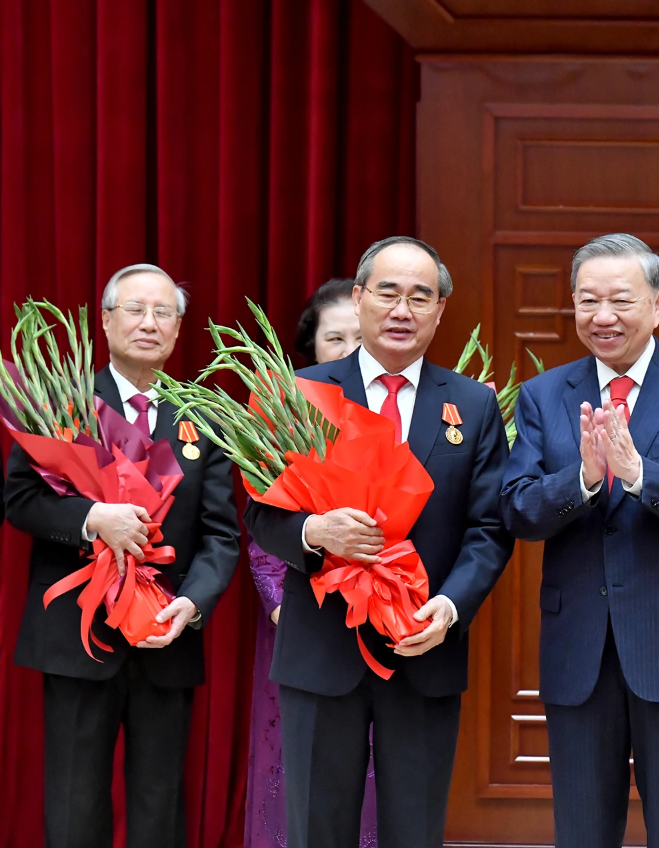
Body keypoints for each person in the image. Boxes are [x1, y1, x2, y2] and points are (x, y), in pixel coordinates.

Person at [244, 236, 513, 848]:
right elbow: (260, 517)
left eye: (422, 296)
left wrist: (449, 608)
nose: (403, 309)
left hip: (424, 648)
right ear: (360, 298)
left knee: (414, 831)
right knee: (319, 828)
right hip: (322, 645)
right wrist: (314, 531)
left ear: (441, 311)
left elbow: (489, 528)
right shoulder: (300, 392)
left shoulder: (472, 405)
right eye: (388, 292)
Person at [501, 233, 659, 848]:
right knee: (582, 832)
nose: (602, 316)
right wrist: (582, 480)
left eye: (620, 300)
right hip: (578, 647)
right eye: (587, 301)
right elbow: (517, 511)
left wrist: (640, 477)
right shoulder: (543, 395)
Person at [6, 263, 241, 848]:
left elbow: (221, 534)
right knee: (73, 798)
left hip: (165, 634)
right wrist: (93, 519)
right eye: (135, 309)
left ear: (179, 329)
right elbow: (20, 501)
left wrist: (193, 603)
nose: (149, 322)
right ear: (107, 321)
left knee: (160, 801)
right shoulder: (65, 400)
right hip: (77, 637)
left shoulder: (204, 417)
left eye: (164, 312)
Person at [245, 278, 372, 848]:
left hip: (387, 615)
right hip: (304, 614)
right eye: (334, 337)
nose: (347, 349)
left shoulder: (402, 409)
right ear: (313, 347)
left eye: (356, 336)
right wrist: (277, 602)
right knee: (306, 771)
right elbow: (262, 518)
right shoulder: (287, 413)